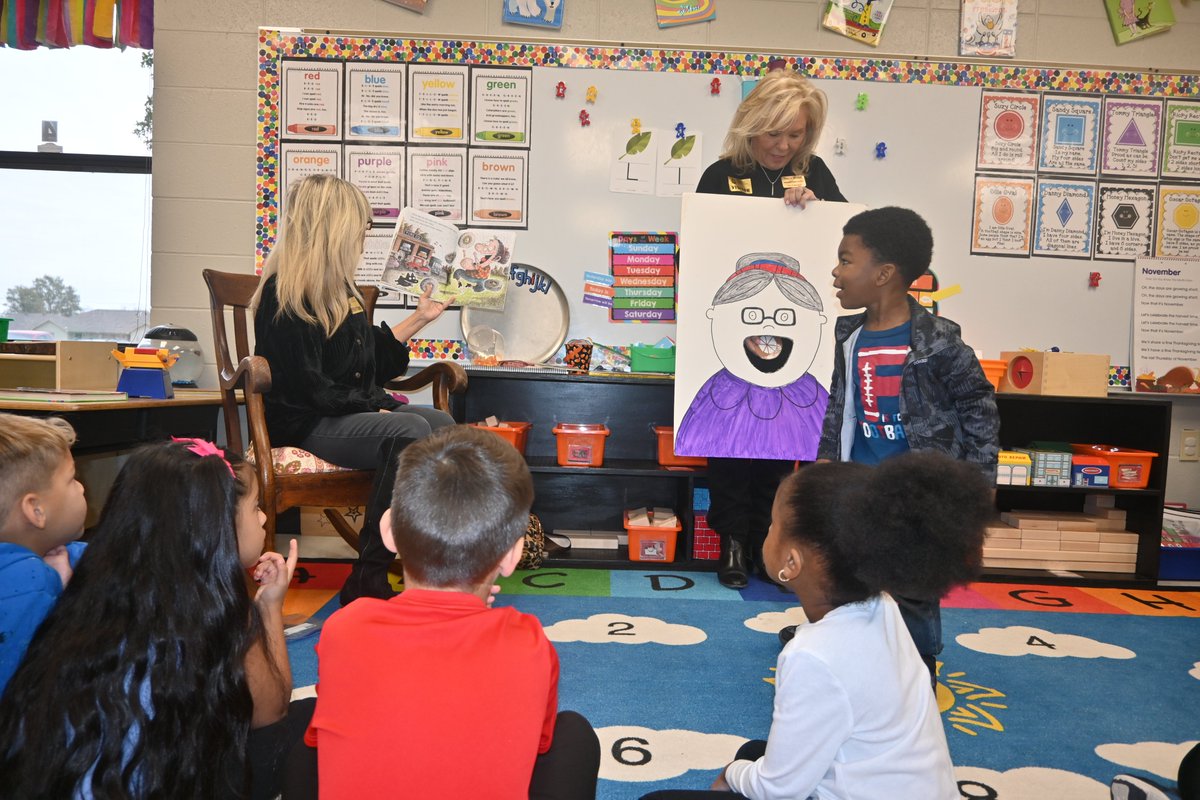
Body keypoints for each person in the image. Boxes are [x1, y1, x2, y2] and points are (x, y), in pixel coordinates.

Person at [641, 451, 993, 800]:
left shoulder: (811, 655)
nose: (767, 531)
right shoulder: (884, 606)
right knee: (754, 751)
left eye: (772, 525)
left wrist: (729, 775)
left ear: (791, 563)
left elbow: (779, 790)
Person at [293, 425, 600, 800]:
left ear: (388, 531)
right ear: (512, 556)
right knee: (575, 733)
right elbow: (537, 744)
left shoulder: (343, 628)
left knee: (309, 729)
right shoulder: (529, 642)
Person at [0, 438, 304, 800]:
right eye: (255, 508)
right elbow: (271, 711)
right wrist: (268, 607)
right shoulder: (217, 613)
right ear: (218, 529)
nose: (264, 517)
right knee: (298, 728)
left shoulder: (84, 587)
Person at [802, 205, 1000, 684]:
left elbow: (979, 405)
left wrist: (979, 481)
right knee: (852, 572)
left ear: (884, 273)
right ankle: (854, 653)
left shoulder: (938, 340)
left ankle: (918, 667)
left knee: (912, 583)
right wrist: (826, 463)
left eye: (846, 260)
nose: (835, 270)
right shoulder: (848, 333)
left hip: (917, 490)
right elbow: (838, 401)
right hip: (860, 481)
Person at [252, 173, 455, 606]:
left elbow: (366, 366)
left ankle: (427, 561)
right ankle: (368, 575)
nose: (364, 236)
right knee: (408, 430)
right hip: (303, 420)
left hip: (336, 414)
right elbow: (310, 387)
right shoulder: (283, 294)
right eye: (361, 227)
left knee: (440, 425)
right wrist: (375, 407)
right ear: (335, 228)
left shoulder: (339, 290)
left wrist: (420, 318)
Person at [694, 66, 847, 589]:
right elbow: (696, 254)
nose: (784, 145)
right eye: (774, 132)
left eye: (796, 133)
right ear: (750, 124)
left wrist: (818, 211)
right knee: (731, 445)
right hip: (735, 338)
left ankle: (768, 544)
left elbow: (844, 245)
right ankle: (733, 543)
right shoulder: (719, 175)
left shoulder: (816, 173)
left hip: (790, 336)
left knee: (780, 449)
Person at [0, 414, 87, 695]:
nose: (82, 487)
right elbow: (50, 677)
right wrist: (64, 596)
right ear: (36, 511)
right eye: (72, 479)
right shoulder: (32, 583)